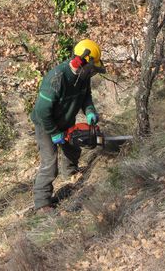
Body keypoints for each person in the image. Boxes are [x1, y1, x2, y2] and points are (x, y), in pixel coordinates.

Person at [30, 39, 106, 213]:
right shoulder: (56, 78)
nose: (93, 72)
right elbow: (42, 111)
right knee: (49, 162)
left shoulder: (83, 77)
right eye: (92, 68)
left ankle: (70, 174)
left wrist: (89, 111)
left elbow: (86, 96)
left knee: (73, 148)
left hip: (66, 118)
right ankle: (42, 203)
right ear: (80, 62)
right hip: (45, 124)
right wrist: (54, 132)